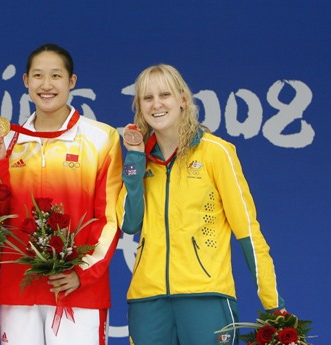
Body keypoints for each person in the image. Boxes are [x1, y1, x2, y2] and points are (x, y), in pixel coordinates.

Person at [116, 64, 285, 345]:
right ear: (139, 106)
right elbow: (130, 223)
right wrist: (134, 160)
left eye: (165, 95)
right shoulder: (141, 159)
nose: (156, 104)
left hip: (206, 296)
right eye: (147, 98)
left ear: (183, 99)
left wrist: (272, 302)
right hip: (147, 299)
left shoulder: (216, 153)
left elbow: (247, 231)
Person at [0, 43, 123, 345]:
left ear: (72, 81)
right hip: (19, 288)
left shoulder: (101, 138)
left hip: (77, 291)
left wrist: (81, 274)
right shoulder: (8, 141)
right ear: (26, 81)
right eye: (38, 76)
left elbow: (110, 217)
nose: (46, 85)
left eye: (56, 76)